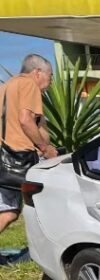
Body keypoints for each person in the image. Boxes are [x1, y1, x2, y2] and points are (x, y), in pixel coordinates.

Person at [0, 54, 56, 236]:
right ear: (37, 72)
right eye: (50, 75)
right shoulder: (29, 84)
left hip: (4, 156)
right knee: (47, 201)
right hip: (19, 158)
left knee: (8, 211)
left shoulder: (6, 86)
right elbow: (26, 120)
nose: (51, 81)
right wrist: (45, 148)